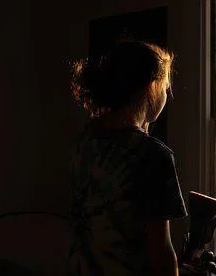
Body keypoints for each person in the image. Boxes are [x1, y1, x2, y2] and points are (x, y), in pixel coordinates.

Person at [69, 40, 188, 276]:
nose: (166, 93)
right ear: (150, 87)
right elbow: (161, 253)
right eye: (165, 86)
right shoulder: (154, 156)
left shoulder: (84, 141)